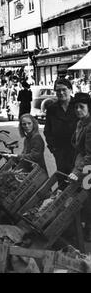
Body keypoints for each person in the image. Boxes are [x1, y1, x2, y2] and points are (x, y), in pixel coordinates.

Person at [44, 78, 77, 188]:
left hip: (78, 151)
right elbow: (47, 131)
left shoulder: (79, 105)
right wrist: (53, 149)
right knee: (63, 180)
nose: (61, 93)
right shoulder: (52, 108)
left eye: (64, 89)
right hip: (60, 152)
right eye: (58, 90)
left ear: (70, 90)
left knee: (78, 180)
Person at [68, 93, 91, 241]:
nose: (78, 110)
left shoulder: (89, 127)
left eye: (81, 107)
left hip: (88, 168)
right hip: (83, 164)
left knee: (87, 199)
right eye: (76, 107)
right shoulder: (81, 123)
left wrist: (77, 171)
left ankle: (89, 232)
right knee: (84, 198)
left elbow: (90, 154)